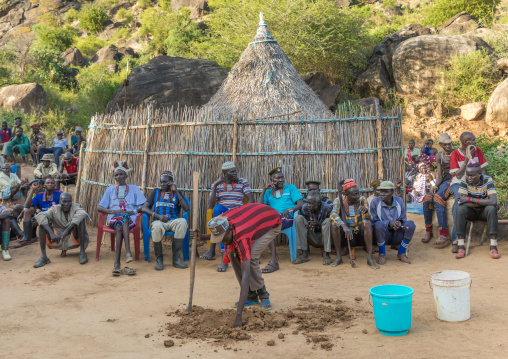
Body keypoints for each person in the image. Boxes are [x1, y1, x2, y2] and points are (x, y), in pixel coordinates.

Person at [190, 203, 282, 327]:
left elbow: (246, 277)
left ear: (230, 230)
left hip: (272, 223)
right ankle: (251, 296)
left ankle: (263, 294)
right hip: (253, 221)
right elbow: (219, 234)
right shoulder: (221, 221)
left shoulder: (241, 236)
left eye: (224, 238)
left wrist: (239, 315)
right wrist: (202, 237)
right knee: (233, 253)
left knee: (252, 257)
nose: (222, 242)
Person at [201, 161, 254, 273]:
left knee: (220, 222)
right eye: (232, 172)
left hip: (238, 214)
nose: (235, 173)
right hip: (223, 216)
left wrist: (245, 212)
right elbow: (211, 205)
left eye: (235, 171)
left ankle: (213, 249)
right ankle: (223, 259)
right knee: (218, 213)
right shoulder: (218, 184)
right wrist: (215, 185)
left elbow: (251, 199)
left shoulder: (242, 182)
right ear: (225, 174)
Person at [98, 162, 146, 276]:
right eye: (116, 175)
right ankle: (128, 252)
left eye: (121, 174)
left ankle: (117, 263)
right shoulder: (110, 190)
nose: (118, 177)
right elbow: (99, 207)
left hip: (131, 218)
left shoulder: (134, 189)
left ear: (126, 176)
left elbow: (144, 205)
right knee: (121, 220)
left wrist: (134, 211)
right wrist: (112, 211)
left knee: (122, 221)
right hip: (114, 218)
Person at [140, 170, 189, 271]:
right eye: (161, 182)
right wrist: (157, 215)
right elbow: (144, 208)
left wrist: (176, 191)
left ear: (171, 182)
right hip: (159, 221)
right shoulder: (156, 192)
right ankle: (159, 260)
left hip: (173, 221)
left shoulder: (176, 193)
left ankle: (176, 260)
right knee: (156, 227)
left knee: (183, 222)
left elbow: (186, 208)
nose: (162, 184)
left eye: (165, 182)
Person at [449, 132, 488, 252]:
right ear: (464, 143)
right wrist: (467, 158)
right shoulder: (454, 154)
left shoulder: (478, 151)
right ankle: (456, 239)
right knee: (458, 201)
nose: (475, 142)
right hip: (458, 183)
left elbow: (483, 170)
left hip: (475, 182)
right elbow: (459, 175)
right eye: (472, 140)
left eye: (475, 139)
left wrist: (483, 184)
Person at [259, 167, 303, 273]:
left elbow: (300, 203)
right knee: (264, 225)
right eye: (277, 178)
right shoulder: (269, 192)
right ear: (272, 180)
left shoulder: (290, 188)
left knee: (270, 226)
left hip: (287, 218)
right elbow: (260, 206)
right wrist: (264, 190)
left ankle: (274, 261)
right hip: (273, 218)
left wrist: (290, 210)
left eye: (282, 178)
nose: (281, 180)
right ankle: (268, 258)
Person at [455, 162, 499, 259]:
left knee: (491, 209)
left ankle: (493, 247)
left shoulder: (487, 180)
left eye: (472, 175)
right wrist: (483, 201)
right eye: (468, 174)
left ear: (480, 174)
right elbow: (461, 201)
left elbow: (493, 201)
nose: (469, 178)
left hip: (484, 212)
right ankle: (461, 246)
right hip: (471, 211)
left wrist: (471, 199)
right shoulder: (464, 180)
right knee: (460, 209)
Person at [330, 179, 378, 269]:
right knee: (334, 224)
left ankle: (369, 258)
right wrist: (343, 226)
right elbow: (333, 214)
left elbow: (371, 218)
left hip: (359, 234)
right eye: (355, 194)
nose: (358, 196)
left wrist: (367, 212)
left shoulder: (362, 200)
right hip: (346, 234)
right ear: (346, 194)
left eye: (358, 193)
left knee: (366, 222)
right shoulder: (339, 200)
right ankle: (339, 257)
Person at [33, 192, 89, 268]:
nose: (66, 204)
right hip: (57, 238)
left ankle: (82, 253)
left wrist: (66, 231)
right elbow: (40, 215)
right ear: (60, 202)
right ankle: (44, 257)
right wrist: (51, 233)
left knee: (81, 220)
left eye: (69, 201)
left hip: (73, 237)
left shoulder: (76, 206)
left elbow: (83, 213)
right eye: (64, 201)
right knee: (42, 224)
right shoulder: (54, 209)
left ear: (71, 201)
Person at [370, 181, 415, 264]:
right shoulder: (375, 202)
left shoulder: (399, 201)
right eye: (381, 191)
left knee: (411, 225)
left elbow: (403, 218)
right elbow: (374, 221)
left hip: (397, 234)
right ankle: (382, 253)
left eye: (386, 191)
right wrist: (389, 223)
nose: (382, 194)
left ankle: (401, 253)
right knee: (378, 225)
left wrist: (399, 223)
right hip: (383, 235)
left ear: (392, 192)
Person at [422, 133, 454, 246]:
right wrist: (435, 186)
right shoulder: (439, 155)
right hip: (445, 180)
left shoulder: (457, 153)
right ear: (441, 145)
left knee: (439, 198)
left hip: (454, 180)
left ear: (452, 142)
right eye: (444, 144)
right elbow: (440, 175)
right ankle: (428, 230)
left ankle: (443, 233)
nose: (447, 146)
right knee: (427, 199)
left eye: (449, 143)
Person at [293, 190, 333, 265]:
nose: (308, 205)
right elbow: (303, 226)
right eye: (307, 202)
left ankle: (326, 254)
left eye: (311, 203)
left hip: (324, 237)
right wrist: (309, 224)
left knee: (328, 221)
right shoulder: (305, 208)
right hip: (312, 236)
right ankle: (304, 252)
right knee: (298, 218)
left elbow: (333, 226)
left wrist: (318, 224)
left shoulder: (327, 208)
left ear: (318, 203)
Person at [11, 178, 54, 248]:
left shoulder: (54, 193)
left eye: (38, 186)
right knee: (27, 211)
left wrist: (39, 219)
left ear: (43, 186)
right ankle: (26, 238)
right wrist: (32, 190)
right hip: (40, 215)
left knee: (32, 214)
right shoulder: (37, 194)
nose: (37, 188)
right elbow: (27, 206)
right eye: (35, 186)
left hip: (49, 217)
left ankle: (32, 236)